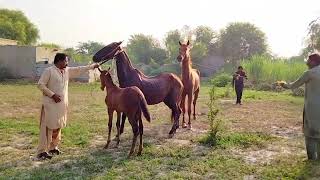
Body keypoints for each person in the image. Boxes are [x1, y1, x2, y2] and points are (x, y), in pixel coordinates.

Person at [36, 53, 99, 160]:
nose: (67, 63)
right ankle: (42, 151)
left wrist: (93, 66)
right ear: (59, 61)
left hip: (61, 105)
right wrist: (53, 95)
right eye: (65, 61)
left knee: (58, 126)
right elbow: (40, 85)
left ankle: (53, 147)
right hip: (50, 105)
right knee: (47, 127)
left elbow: (79, 69)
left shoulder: (67, 71)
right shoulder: (49, 71)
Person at [279, 53, 320, 160]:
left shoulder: (309, 73)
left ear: (314, 62)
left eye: (308, 60)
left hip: (312, 107)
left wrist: (283, 84)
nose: (307, 62)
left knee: (310, 132)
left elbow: (293, 85)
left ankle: (311, 158)